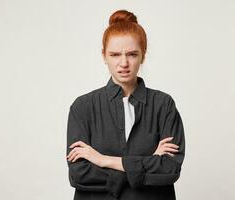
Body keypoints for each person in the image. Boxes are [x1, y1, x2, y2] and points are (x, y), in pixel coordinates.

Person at [66, 9, 185, 200]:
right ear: (104, 56)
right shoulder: (83, 107)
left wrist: (103, 160)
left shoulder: (164, 105)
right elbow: (79, 174)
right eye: (114, 54)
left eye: (132, 54)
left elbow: (170, 168)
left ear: (143, 55)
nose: (123, 63)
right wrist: (147, 163)